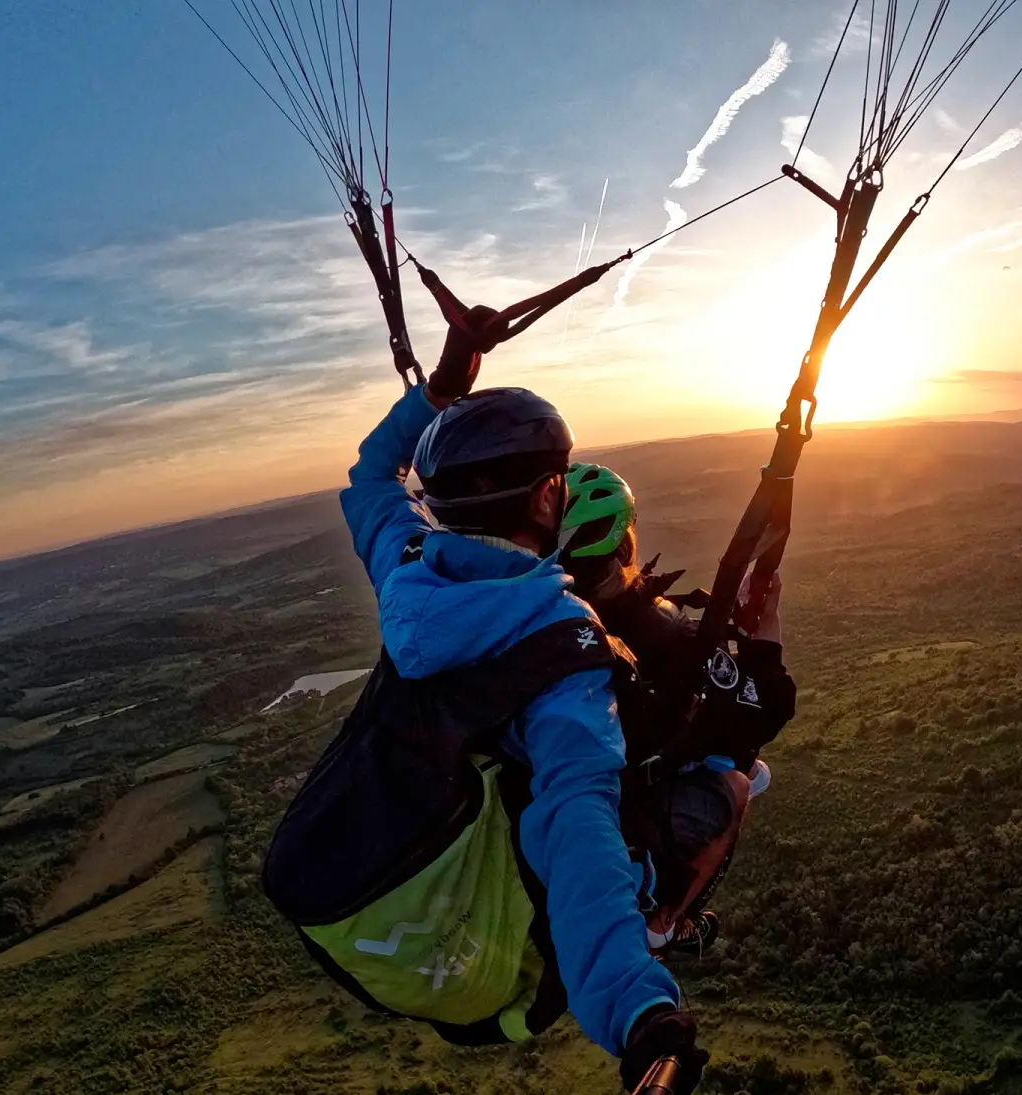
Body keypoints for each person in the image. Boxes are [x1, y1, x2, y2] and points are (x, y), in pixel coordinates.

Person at [330, 320, 706, 1091]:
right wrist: (636, 1008)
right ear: (545, 497)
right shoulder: (558, 640)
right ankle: (667, 921)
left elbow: (371, 477)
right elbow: (578, 824)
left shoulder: (404, 566)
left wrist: (439, 388)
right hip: (493, 913)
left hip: (365, 876)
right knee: (707, 793)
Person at [556, 461, 797, 954]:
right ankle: (665, 922)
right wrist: (766, 625)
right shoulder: (656, 631)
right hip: (628, 798)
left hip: (580, 786)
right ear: (622, 547)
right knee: (739, 783)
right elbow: (769, 708)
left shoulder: (559, 619)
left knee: (750, 768)